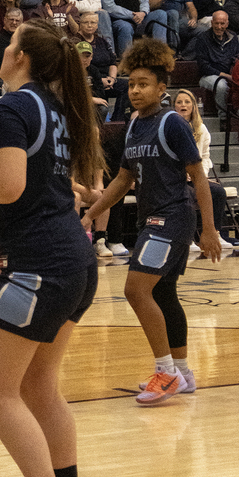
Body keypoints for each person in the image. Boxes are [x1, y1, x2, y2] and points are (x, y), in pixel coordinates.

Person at [0, 19, 103, 477]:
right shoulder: (53, 104)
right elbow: (46, 178)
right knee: (40, 387)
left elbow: (9, 185)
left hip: (39, 265)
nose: (2, 50)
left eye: (9, 44)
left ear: (20, 56)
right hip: (76, 260)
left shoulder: (9, 108)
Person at [82, 38, 220, 406]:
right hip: (152, 220)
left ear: (162, 89)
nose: (136, 90)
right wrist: (91, 214)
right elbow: (123, 181)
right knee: (163, 294)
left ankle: (166, 373)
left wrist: (209, 229)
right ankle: (183, 372)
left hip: (172, 217)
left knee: (135, 290)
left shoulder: (172, 123)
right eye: (132, 84)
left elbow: (199, 177)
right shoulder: (133, 126)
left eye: (144, 84)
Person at [172, 90, 232, 251]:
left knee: (218, 192)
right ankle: (188, 238)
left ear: (193, 106)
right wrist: (182, 173)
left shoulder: (202, 129)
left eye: (187, 102)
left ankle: (215, 233)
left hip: (196, 177)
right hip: (175, 178)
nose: (183, 105)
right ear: (173, 106)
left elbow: (205, 157)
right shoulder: (170, 127)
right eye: (179, 102)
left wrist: (201, 175)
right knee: (188, 195)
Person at [195, 10, 239, 114]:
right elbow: (203, 66)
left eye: (222, 23)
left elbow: (238, 57)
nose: (219, 27)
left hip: (229, 73)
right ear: (211, 23)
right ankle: (223, 117)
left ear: (227, 24)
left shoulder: (233, 37)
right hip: (208, 76)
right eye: (216, 23)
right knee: (221, 85)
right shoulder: (202, 38)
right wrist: (225, 75)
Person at [0, 7, 23, 84]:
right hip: (2, 79)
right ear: (5, 20)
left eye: (17, 21)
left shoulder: (22, 38)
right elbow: (2, 62)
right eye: (11, 19)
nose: (14, 23)